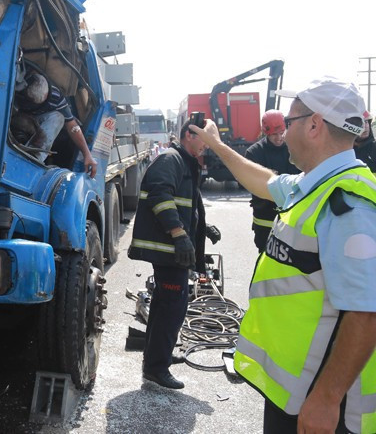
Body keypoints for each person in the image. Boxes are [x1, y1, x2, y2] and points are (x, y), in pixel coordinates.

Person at [189, 77, 376, 434]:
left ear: (315, 125)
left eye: (289, 123)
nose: (284, 132)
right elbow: (262, 180)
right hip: (298, 392)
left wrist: (327, 398)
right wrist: (216, 143)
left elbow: (366, 313)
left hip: (322, 403)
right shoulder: (314, 185)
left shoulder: (349, 206)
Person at [128, 120, 210, 390]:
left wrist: (200, 227)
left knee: (166, 305)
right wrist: (179, 234)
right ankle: (156, 368)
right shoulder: (171, 159)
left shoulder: (183, 161)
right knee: (172, 308)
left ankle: (157, 358)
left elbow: (182, 202)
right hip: (170, 250)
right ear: (189, 134)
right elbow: (160, 197)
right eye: (204, 139)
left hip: (174, 249)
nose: (207, 145)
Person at [14, 72, 98, 177]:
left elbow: (73, 127)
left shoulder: (56, 96)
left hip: (38, 123)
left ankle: (34, 159)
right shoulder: (17, 87)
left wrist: (87, 154)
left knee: (58, 117)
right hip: (17, 119)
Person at [243, 110, 301, 252]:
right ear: (266, 133)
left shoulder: (296, 148)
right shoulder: (254, 153)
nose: (279, 138)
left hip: (293, 216)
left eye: (282, 132)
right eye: (274, 134)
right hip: (265, 219)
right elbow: (253, 185)